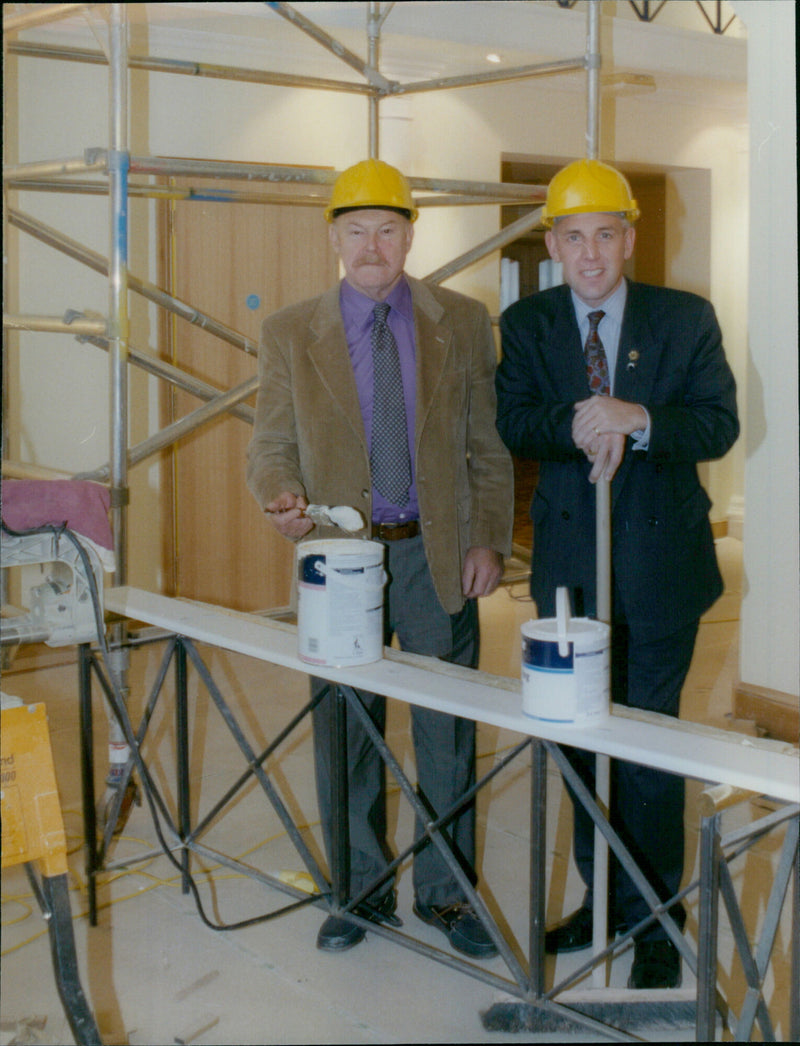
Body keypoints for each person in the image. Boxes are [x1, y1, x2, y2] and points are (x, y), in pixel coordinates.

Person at [247, 158, 514, 958]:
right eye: (357, 231)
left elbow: (486, 448)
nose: (373, 246)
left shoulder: (461, 322)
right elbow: (270, 442)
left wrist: (487, 539)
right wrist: (280, 492)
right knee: (347, 730)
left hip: (435, 558)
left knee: (446, 733)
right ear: (334, 238)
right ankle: (357, 892)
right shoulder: (291, 332)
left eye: (388, 230)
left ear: (409, 236)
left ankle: (445, 894)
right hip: (341, 561)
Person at [495, 158, 739, 989]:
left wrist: (636, 418)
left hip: (663, 573)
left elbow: (717, 424)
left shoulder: (684, 318)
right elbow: (514, 421)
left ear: (628, 238)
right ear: (555, 243)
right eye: (574, 237)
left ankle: (656, 921)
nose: (590, 253)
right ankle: (602, 898)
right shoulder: (528, 323)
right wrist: (580, 422)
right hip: (570, 572)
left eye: (606, 234)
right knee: (578, 746)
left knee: (646, 750)